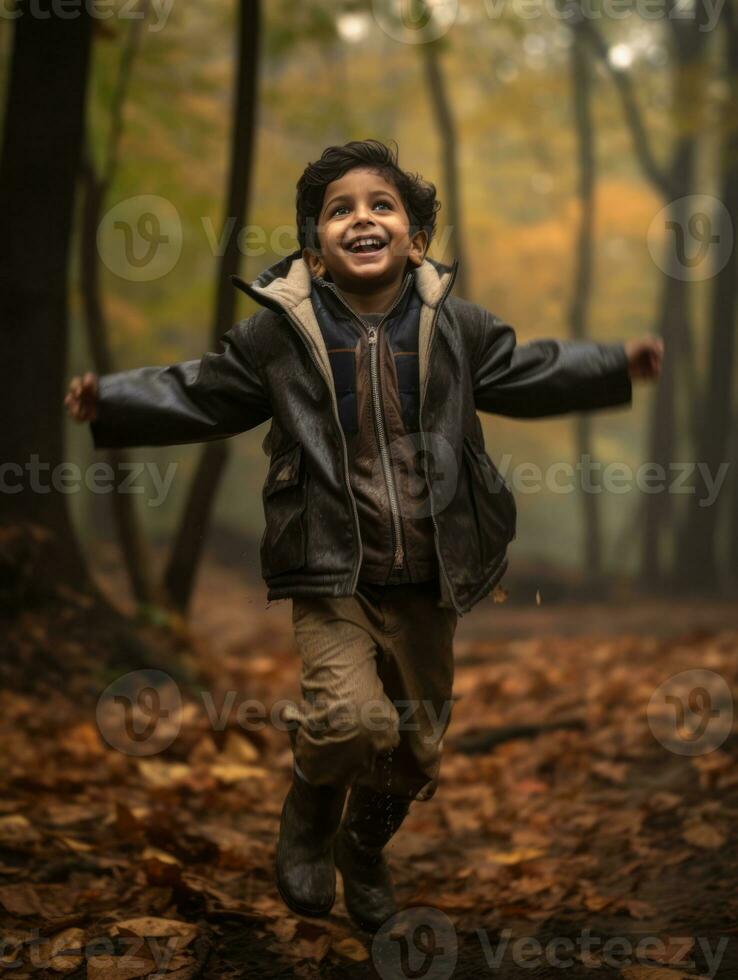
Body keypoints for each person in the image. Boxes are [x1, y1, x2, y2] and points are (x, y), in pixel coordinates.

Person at [66, 138, 663, 934]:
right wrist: (113, 402)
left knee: (414, 750)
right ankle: (310, 815)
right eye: (339, 210)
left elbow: (531, 368)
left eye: (381, 206)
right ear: (315, 252)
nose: (361, 219)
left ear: (415, 240)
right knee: (349, 720)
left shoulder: (457, 328)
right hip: (330, 572)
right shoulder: (280, 336)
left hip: (430, 577)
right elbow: (203, 392)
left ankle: (363, 849)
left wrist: (614, 366)